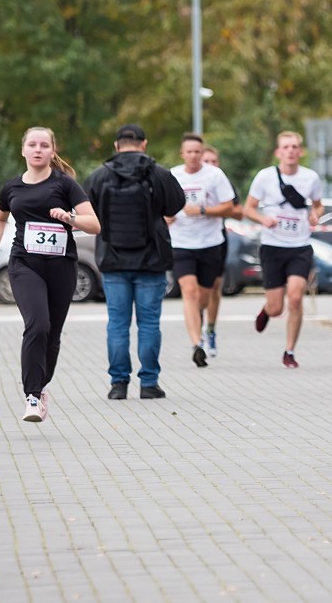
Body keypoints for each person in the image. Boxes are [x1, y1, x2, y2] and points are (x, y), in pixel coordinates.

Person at [0, 126, 100, 423]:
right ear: (23, 150)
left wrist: (70, 218)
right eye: (32, 145)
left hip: (61, 266)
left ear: (52, 150)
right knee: (38, 324)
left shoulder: (65, 184)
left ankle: (43, 384)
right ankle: (32, 396)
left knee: (53, 333)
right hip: (25, 264)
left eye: (44, 145)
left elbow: (94, 224)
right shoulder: (12, 187)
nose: (38, 149)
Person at [84, 124, 185, 401]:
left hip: (113, 260)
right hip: (151, 260)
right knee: (149, 323)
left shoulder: (99, 176)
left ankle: (118, 385)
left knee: (117, 324)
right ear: (144, 144)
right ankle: (149, 384)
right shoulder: (160, 174)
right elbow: (176, 205)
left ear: (116, 146)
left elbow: (86, 212)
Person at [243, 131, 325, 369]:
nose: (290, 151)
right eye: (286, 147)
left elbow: (319, 206)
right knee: (277, 308)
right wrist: (263, 219)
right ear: (278, 152)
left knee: (296, 297)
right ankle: (267, 310)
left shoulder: (310, 178)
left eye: (295, 147)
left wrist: (315, 214)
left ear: (301, 151)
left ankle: (289, 351)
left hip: (300, 247)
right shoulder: (265, 177)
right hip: (272, 247)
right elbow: (248, 209)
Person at [167, 133, 237, 368]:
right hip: (181, 243)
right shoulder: (173, 175)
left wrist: (204, 210)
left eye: (197, 151)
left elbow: (229, 207)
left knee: (204, 297)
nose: (194, 156)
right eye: (189, 152)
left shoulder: (214, 175)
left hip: (210, 243)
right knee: (189, 292)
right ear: (182, 154)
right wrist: (165, 216)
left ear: (202, 152)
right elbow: (160, 205)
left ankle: (202, 328)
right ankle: (196, 344)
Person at [200, 144, 244, 359]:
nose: (211, 165)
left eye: (214, 161)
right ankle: (197, 331)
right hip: (190, 241)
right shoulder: (191, 182)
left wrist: (215, 210)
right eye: (206, 161)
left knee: (215, 286)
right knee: (195, 291)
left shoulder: (223, 182)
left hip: (217, 239)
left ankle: (210, 329)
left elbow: (239, 212)